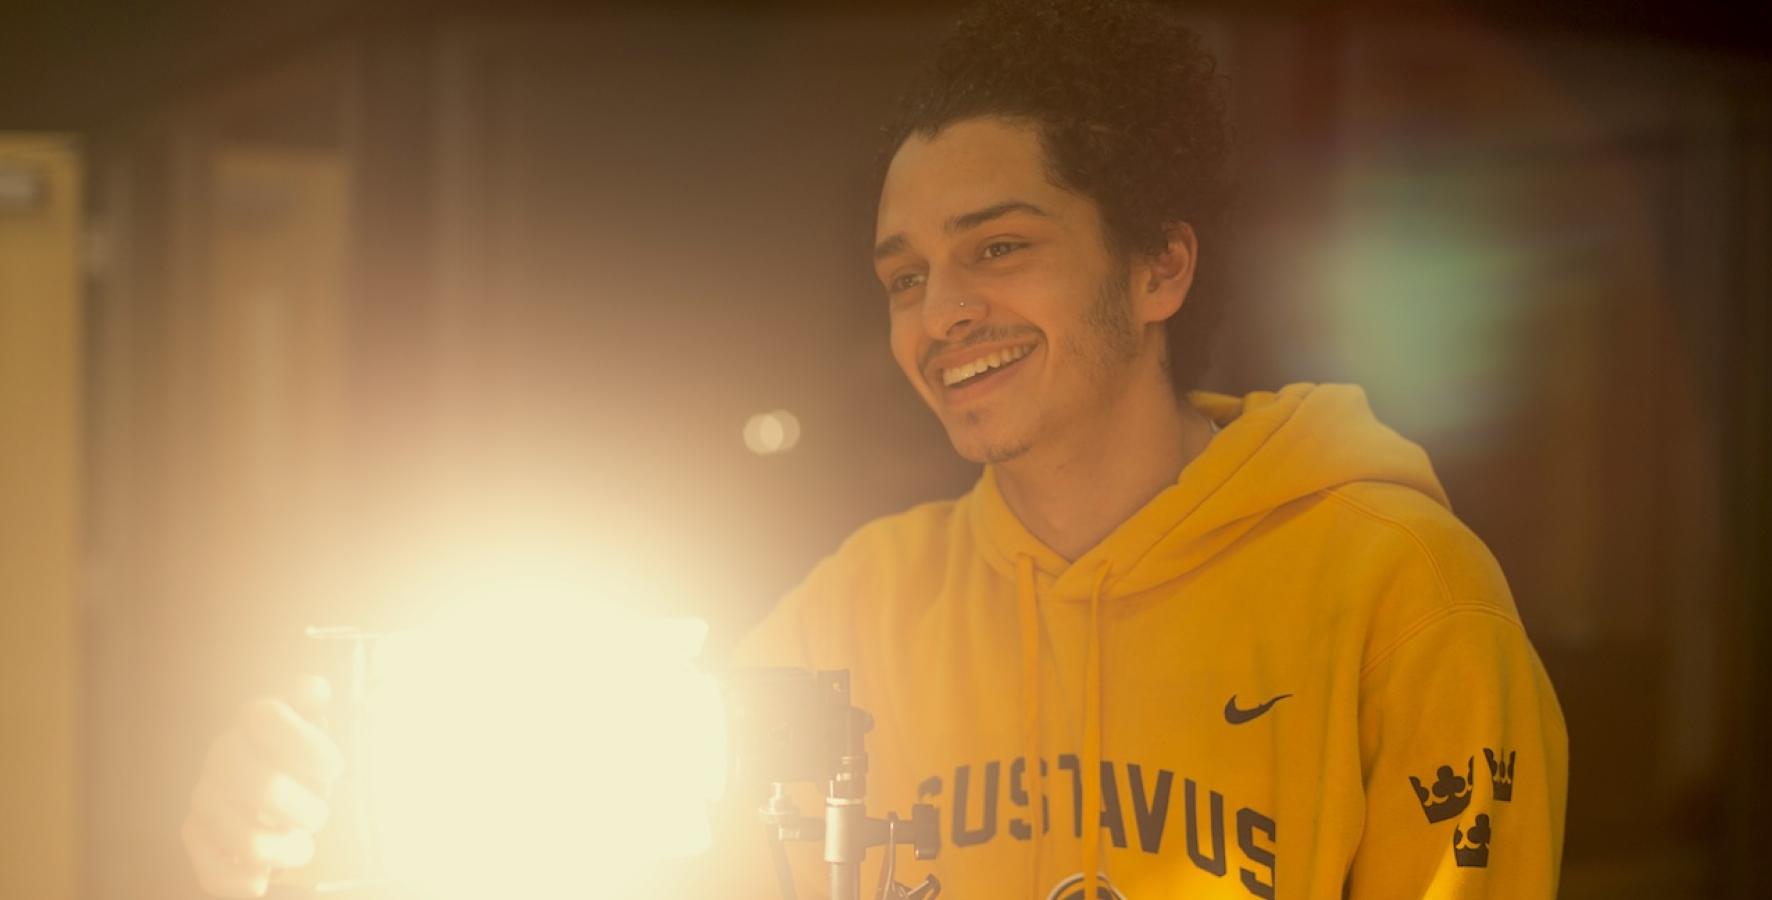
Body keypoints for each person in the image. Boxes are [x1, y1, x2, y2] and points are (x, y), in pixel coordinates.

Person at [183, 0, 1568, 897]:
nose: (940, 312)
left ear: (1159, 267)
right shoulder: (858, 612)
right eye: (905, 275)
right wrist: (299, 835)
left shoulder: (1397, 592)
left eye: (999, 249)